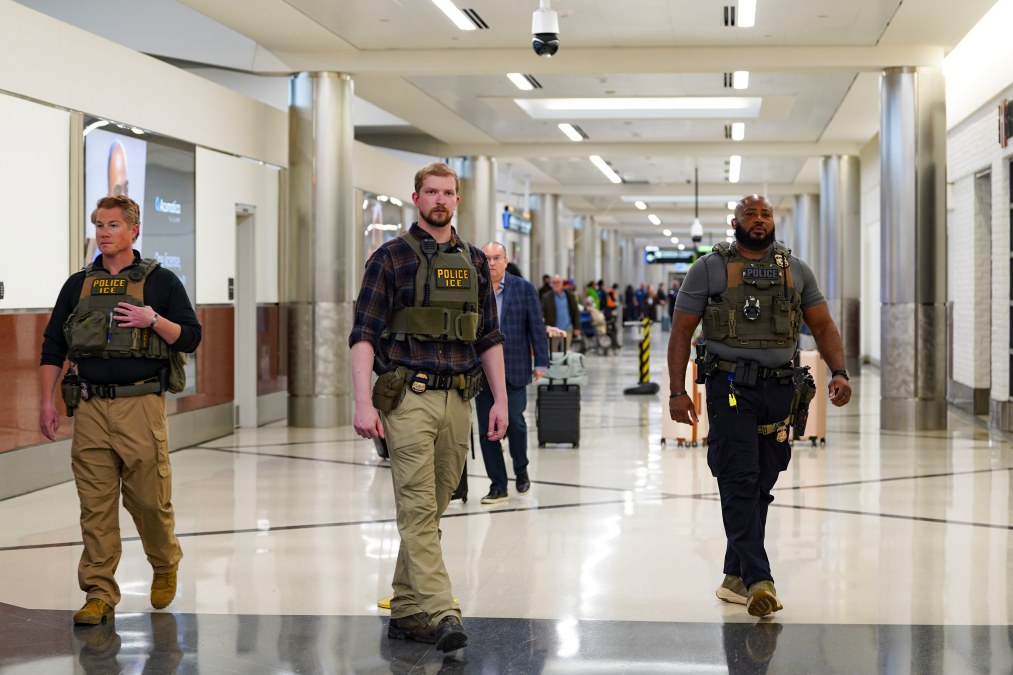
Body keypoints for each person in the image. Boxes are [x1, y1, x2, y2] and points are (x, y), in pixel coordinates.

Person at [348, 162, 508, 653]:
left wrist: (500, 400)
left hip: (459, 398)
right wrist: (362, 402)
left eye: (448, 192)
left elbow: (488, 335)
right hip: (408, 400)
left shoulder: (475, 261)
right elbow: (363, 334)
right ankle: (442, 611)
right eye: (432, 192)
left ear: (457, 200)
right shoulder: (389, 258)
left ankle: (405, 609)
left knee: (432, 508)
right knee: (417, 508)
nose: (440, 199)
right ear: (416, 198)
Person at [667, 194, 851, 618]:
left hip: (781, 389)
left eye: (765, 213)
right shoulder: (709, 268)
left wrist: (839, 371)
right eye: (750, 213)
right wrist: (678, 391)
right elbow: (681, 332)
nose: (759, 219)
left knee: (762, 482)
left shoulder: (795, 269)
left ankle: (734, 577)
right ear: (735, 222)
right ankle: (759, 580)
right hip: (730, 386)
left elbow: (823, 325)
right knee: (739, 476)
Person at [38, 194, 201, 625]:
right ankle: (99, 592)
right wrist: (46, 402)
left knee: (149, 501)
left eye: (113, 225)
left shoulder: (162, 282)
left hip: (140, 405)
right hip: (89, 406)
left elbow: (191, 337)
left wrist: (153, 321)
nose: (104, 233)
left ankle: (164, 561)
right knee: (95, 505)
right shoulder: (78, 285)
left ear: (134, 230)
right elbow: (53, 345)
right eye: (99, 225)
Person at [476, 242, 549, 505]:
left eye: (496, 258)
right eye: (486, 258)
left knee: (515, 422)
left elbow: (536, 327)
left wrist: (541, 362)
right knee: (487, 429)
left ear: (506, 261)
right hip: (481, 372)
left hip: (515, 368)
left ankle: (521, 469)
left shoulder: (524, 289)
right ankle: (498, 485)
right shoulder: (474, 289)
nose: (491, 263)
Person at [540, 274, 581, 350]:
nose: (556, 284)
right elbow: (541, 311)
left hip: (567, 329)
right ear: (551, 284)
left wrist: (577, 327)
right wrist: (541, 318)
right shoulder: (546, 297)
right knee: (552, 351)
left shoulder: (570, 295)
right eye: (554, 282)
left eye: (558, 282)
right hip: (553, 330)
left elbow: (576, 312)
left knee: (566, 351)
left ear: (562, 283)